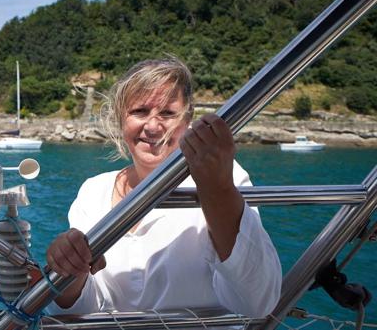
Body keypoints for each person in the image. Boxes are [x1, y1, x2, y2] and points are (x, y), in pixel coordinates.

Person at [46, 57, 282, 318]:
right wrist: (70, 270)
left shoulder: (224, 177)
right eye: (139, 112)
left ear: (188, 119)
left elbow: (257, 302)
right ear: (121, 119)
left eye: (168, 113)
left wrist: (217, 188)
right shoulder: (94, 191)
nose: (153, 126)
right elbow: (87, 307)